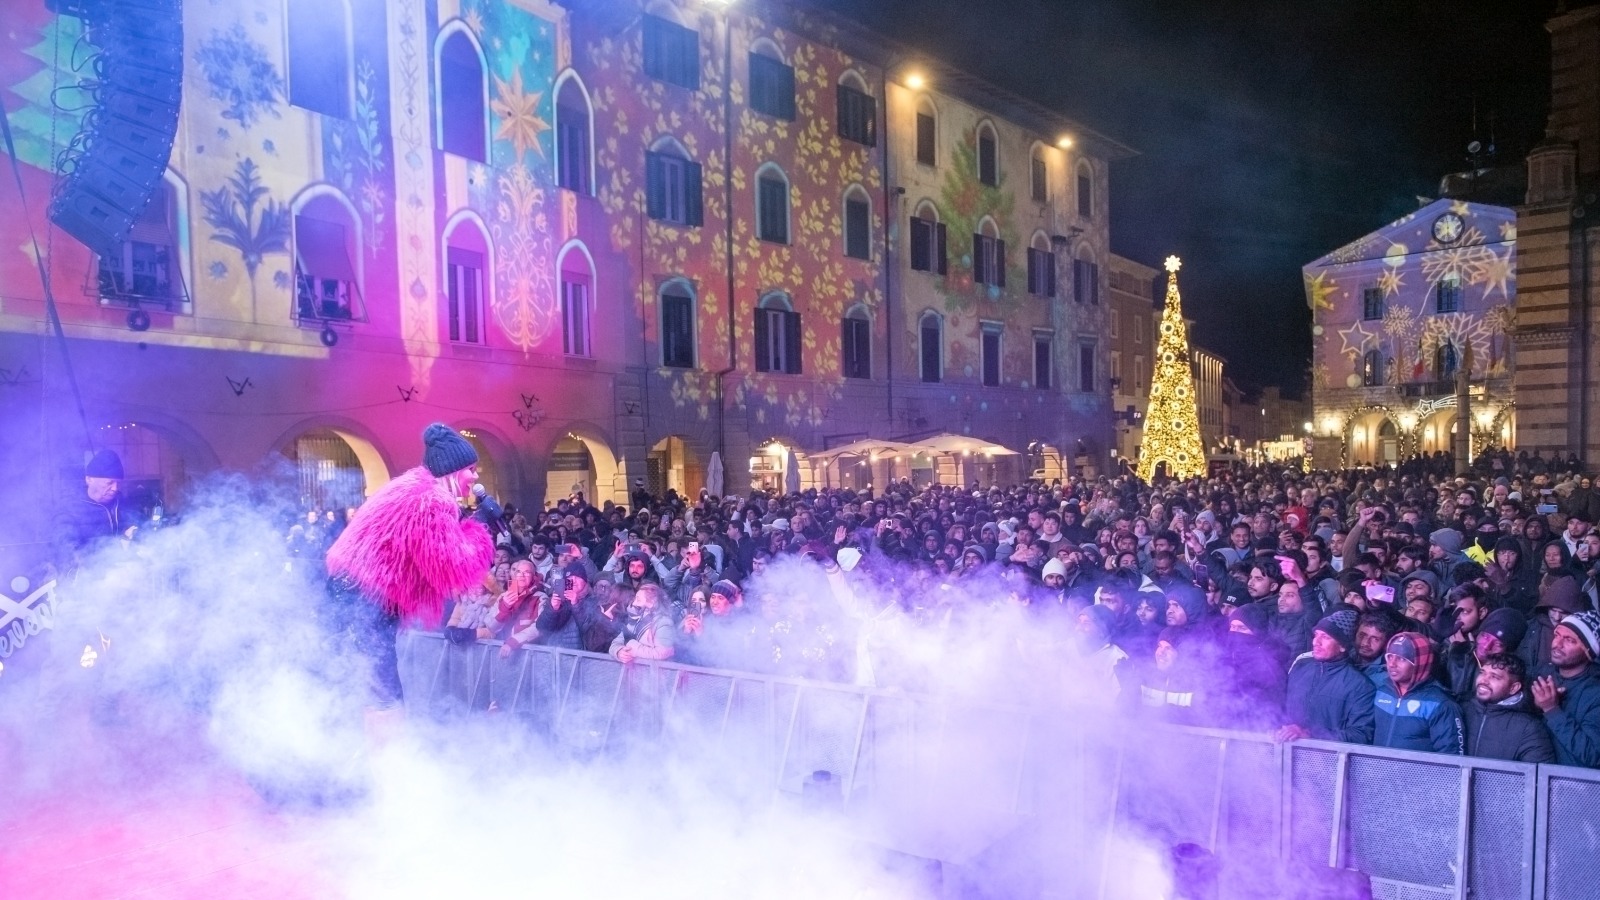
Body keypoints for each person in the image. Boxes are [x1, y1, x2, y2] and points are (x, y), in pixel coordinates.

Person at [324, 423, 496, 727]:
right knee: (383, 695)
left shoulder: (412, 488)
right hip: (364, 602)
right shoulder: (434, 500)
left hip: (352, 595)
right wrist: (478, 529)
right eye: (472, 468)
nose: (476, 476)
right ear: (453, 471)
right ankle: (389, 768)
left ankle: (364, 759)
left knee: (365, 686)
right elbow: (453, 567)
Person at [1276, 611, 1376, 745]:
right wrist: (1275, 728)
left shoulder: (1360, 685)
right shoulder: (1300, 669)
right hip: (1288, 756)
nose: (1316, 642)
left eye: (1325, 637)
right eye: (1316, 635)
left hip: (1329, 762)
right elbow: (1281, 711)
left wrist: (1310, 734)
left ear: (1342, 646)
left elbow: (1360, 734)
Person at [1373, 632, 1464, 754]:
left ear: (1419, 664)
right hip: (1377, 771)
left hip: (1417, 773)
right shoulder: (1382, 692)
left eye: (1401, 658)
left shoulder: (1440, 704)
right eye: (1390, 656)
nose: (1392, 664)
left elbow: (1451, 755)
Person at [1532, 610, 1600, 768]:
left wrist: (1552, 710)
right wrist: (1535, 705)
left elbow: (1593, 755)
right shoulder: (1541, 674)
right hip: (1533, 781)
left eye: (1569, 640)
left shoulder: (1596, 693)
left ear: (1588, 651)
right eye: (1557, 635)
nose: (1557, 644)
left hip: (1572, 788)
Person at [1463, 653, 1556, 763]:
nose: (1484, 680)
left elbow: (1537, 776)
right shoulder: (1462, 709)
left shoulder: (1529, 727)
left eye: (1494, 676)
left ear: (1513, 688)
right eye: (1482, 673)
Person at [52, 448, 133, 566]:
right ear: (89, 479)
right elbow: (67, 549)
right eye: (109, 483)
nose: (115, 488)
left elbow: (136, 527)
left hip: (121, 574)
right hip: (88, 577)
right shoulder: (69, 509)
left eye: (118, 483)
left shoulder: (121, 503)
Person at [611, 583, 676, 663]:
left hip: (655, 674)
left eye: (638, 600)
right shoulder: (635, 620)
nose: (634, 603)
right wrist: (619, 652)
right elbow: (616, 643)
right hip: (634, 672)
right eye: (635, 599)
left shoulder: (663, 623)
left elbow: (663, 653)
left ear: (652, 602)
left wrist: (632, 646)